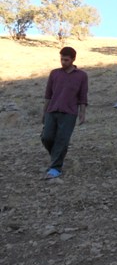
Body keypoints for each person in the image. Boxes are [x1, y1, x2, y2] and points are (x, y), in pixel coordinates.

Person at [41, 46, 88, 179]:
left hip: (69, 113)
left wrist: (82, 114)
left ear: (73, 59)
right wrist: (44, 113)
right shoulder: (54, 73)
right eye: (61, 59)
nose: (63, 62)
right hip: (52, 110)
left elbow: (83, 96)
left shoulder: (82, 76)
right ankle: (57, 156)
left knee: (62, 140)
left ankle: (55, 168)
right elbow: (48, 95)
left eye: (66, 60)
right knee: (46, 137)